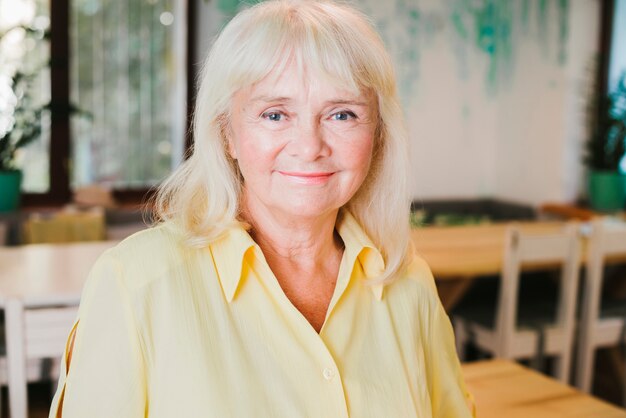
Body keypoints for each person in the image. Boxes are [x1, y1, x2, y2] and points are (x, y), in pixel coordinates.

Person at [49, 1, 473, 417]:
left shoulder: (408, 281)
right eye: (275, 114)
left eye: (342, 114)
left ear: (378, 135)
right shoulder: (134, 282)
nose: (309, 147)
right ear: (227, 134)